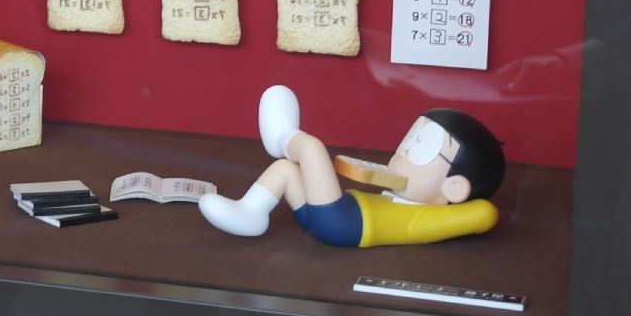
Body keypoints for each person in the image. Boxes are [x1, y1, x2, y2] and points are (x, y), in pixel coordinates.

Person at [199, 86, 504, 248]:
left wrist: (458, 203)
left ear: (454, 187)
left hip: (344, 224)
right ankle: (251, 210)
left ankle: (283, 136)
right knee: (287, 169)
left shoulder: (423, 220)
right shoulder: (410, 201)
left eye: (420, 151)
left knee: (312, 149)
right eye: (407, 143)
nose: (403, 153)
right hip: (332, 214)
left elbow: (484, 214)